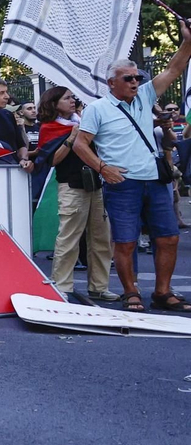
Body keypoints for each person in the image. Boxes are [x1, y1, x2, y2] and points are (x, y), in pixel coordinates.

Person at [71, 25, 191, 313]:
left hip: (155, 179)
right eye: (129, 78)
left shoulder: (146, 97)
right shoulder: (97, 108)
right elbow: (79, 145)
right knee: (125, 242)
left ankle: (162, 292)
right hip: (123, 183)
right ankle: (130, 292)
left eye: (138, 77)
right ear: (112, 82)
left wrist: (187, 41)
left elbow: (173, 69)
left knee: (169, 237)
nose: (136, 82)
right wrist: (103, 168)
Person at [37, 86, 116, 301]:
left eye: (73, 98)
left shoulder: (84, 121)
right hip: (71, 186)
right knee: (69, 237)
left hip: (95, 184)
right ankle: (62, 285)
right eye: (67, 98)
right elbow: (52, 160)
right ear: (54, 103)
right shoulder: (49, 127)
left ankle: (99, 286)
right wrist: (72, 139)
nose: (73, 101)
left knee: (101, 237)